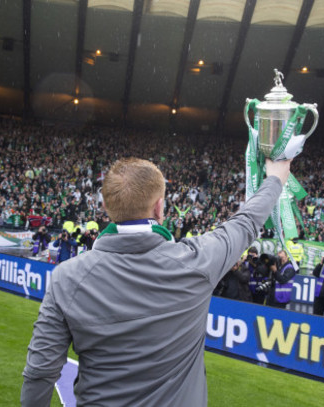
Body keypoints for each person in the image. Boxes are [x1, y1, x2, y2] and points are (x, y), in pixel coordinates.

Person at [21, 157, 292, 406]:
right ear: (160, 207)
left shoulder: (66, 277)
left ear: (105, 206)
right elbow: (246, 223)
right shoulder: (197, 261)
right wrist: (275, 178)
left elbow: (40, 373)